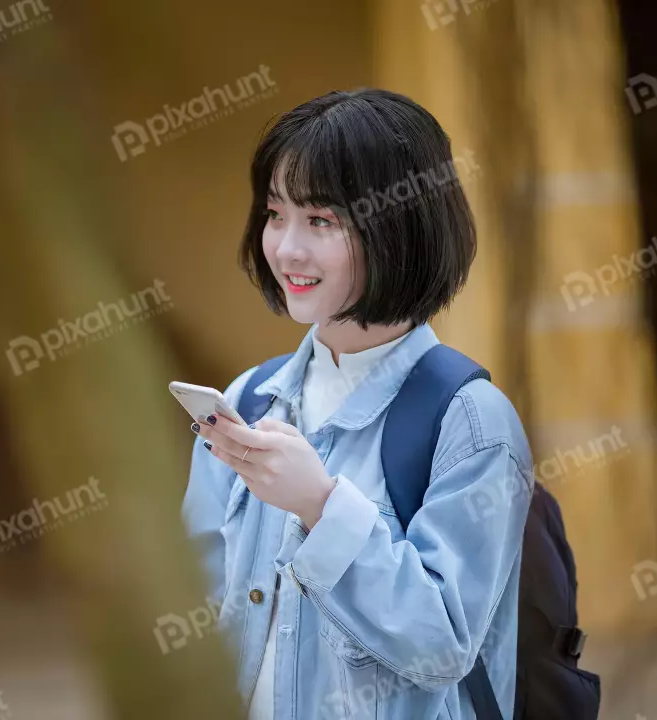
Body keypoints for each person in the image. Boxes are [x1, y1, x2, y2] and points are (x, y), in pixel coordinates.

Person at [180, 88, 534, 719]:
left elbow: (442, 646)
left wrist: (321, 506)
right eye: (275, 213)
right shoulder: (247, 399)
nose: (287, 248)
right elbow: (195, 617)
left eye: (321, 221)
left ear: (399, 227)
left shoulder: (471, 422)